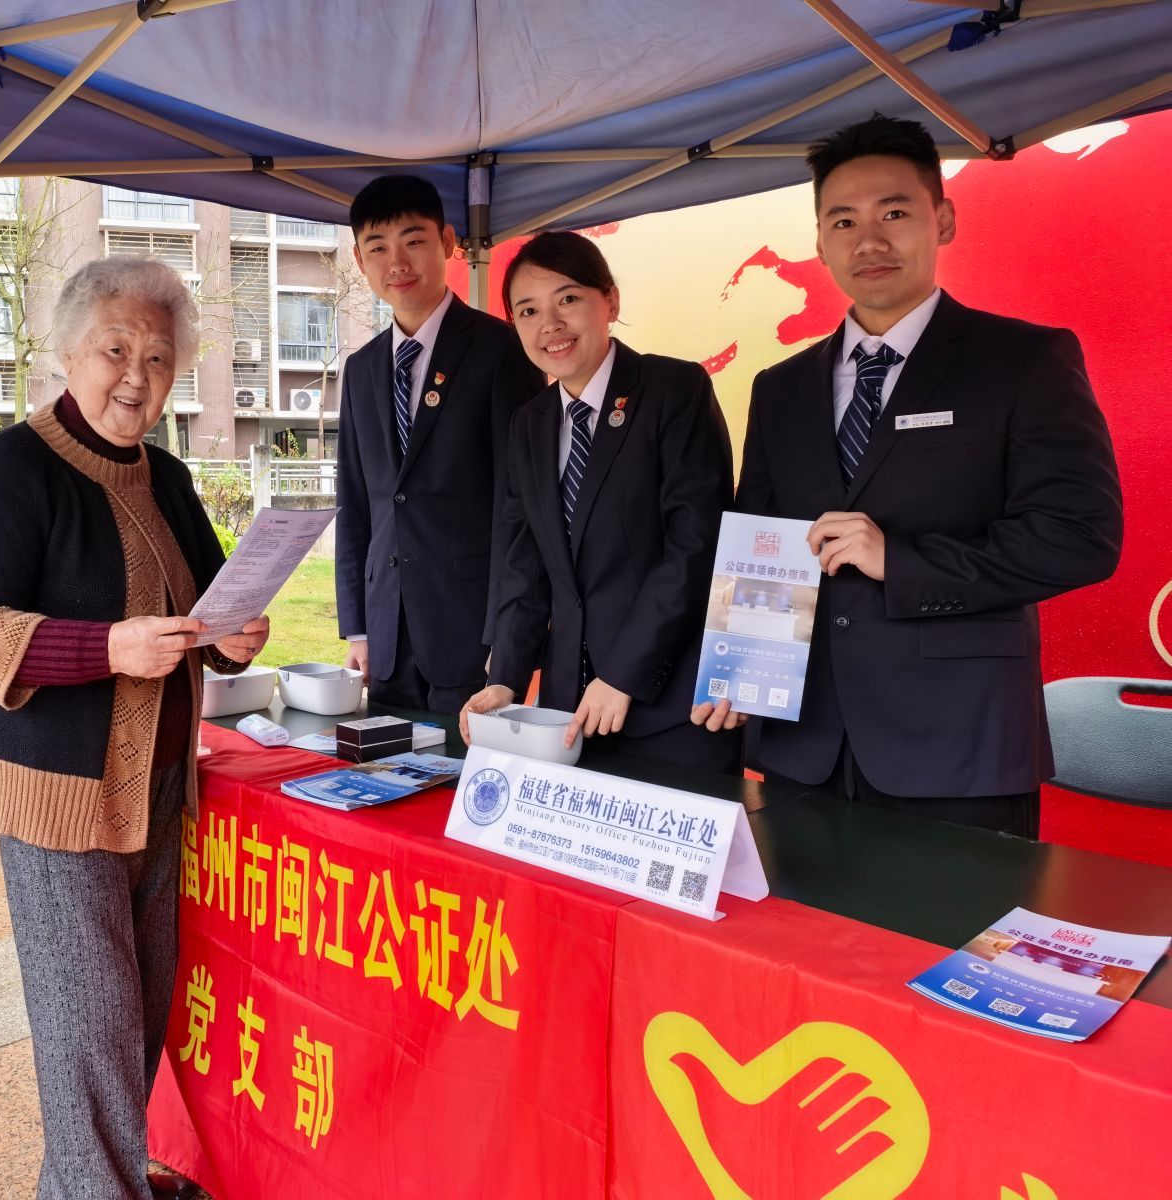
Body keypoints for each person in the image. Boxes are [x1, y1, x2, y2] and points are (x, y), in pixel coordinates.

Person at [0, 257, 269, 1200]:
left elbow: (204, 611)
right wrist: (109, 646)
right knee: (92, 1032)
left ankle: (86, 1186)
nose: (136, 377)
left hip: (158, 789)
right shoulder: (13, 468)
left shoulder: (168, 476)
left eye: (158, 358)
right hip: (62, 801)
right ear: (68, 353)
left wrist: (231, 638)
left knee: (141, 1014)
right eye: (115, 350)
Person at [692, 114, 1123, 835]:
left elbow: (1079, 539)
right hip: (806, 743)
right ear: (821, 241)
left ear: (942, 220)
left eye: (893, 213)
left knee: (955, 912)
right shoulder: (781, 386)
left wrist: (901, 560)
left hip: (958, 745)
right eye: (844, 221)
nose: (869, 240)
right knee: (798, 912)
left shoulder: (1023, 361)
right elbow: (762, 539)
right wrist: (740, 667)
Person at [460, 232, 739, 773]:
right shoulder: (530, 423)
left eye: (568, 299)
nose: (550, 324)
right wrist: (506, 680)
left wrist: (624, 675)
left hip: (670, 705)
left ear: (609, 300)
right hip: (569, 712)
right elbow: (523, 564)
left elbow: (695, 546)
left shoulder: (673, 388)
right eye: (528, 311)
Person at [335, 175, 543, 713]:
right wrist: (357, 626)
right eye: (377, 249)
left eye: (413, 241)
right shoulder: (361, 369)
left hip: (470, 631)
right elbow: (356, 502)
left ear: (448, 242)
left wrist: (506, 636)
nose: (397, 263)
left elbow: (520, 504)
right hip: (386, 635)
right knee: (387, 761)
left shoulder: (501, 349)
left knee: (463, 763)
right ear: (359, 261)